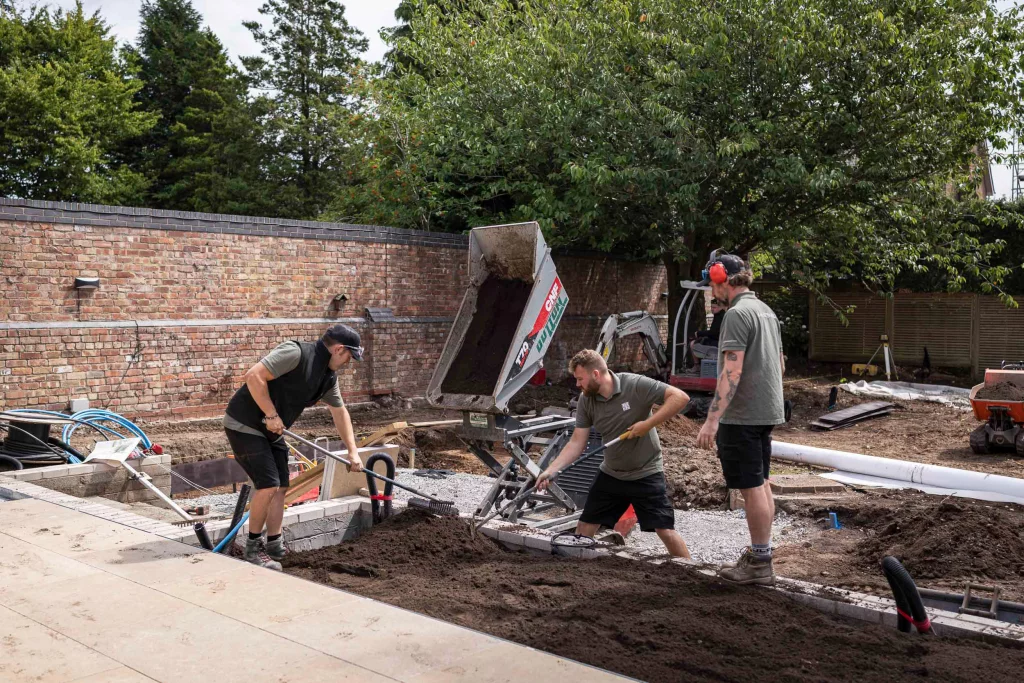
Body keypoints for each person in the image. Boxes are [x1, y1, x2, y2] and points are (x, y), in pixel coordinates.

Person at [223, 324, 364, 570]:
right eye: (349, 357)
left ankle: (274, 543)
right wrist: (270, 413)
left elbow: (340, 413)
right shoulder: (296, 353)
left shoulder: (328, 378)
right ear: (339, 349)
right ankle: (252, 548)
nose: (348, 363)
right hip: (244, 423)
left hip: (272, 430)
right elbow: (254, 375)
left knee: (281, 487)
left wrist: (353, 451)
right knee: (268, 485)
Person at [537, 350, 692, 558]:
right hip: (611, 473)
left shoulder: (634, 385)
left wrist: (647, 425)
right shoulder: (586, 400)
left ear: (596, 375)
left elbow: (680, 397)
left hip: (645, 472)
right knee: (584, 527)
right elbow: (576, 442)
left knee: (664, 530)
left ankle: (689, 569)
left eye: (580, 379)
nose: (577, 385)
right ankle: (575, 570)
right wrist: (551, 470)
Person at [695, 254, 785, 585]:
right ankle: (761, 552)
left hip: (742, 416)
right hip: (765, 412)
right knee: (760, 483)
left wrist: (712, 420)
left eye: (711, 287)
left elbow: (731, 372)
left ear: (723, 279)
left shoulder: (736, 314)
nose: (711, 294)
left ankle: (761, 563)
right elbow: (780, 364)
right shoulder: (765, 311)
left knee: (750, 488)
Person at [689, 298, 726, 366]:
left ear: (721, 307)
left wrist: (699, 333)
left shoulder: (720, 317)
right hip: (719, 341)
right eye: (711, 307)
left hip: (717, 342)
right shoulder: (720, 315)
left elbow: (713, 333)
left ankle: (696, 365)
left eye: (714, 307)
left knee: (692, 344)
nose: (712, 309)